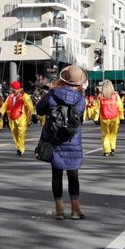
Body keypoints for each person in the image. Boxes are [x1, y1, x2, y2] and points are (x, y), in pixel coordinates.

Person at [36, 64, 88, 220]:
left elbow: (39, 110)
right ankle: (75, 210)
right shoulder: (81, 99)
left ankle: (59, 210)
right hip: (72, 140)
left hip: (54, 139)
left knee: (56, 175)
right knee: (73, 176)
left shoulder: (52, 94)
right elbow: (81, 118)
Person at [1, 80, 35, 155]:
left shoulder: (24, 96)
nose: (12, 90)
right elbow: (5, 105)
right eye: (12, 89)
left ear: (18, 89)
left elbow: (30, 105)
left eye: (13, 89)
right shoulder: (10, 96)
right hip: (12, 118)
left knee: (21, 133)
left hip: (21, 118)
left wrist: (33, 113)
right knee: (15, 134)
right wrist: (1, 112)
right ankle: (18, 147)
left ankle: (21, 148)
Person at [98, 79, 124, 155]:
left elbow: (97, 107)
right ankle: (112, 148)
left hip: (104, 118)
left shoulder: (100, 96)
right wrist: (122, 117)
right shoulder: (115, 95)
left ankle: (106, 151)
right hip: (115, 117)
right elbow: (120, 106)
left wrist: (96, 118)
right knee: (113, 133)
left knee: (105, 134)